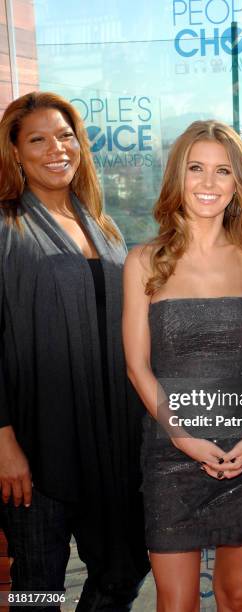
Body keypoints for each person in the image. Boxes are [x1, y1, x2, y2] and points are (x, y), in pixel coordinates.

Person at [123, 120, 242, 612]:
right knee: (176, 604)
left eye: (222, 172)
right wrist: (182, 437)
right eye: (196, 169)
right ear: (178, 175)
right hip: (172, 452)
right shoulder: (144, 261)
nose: (209, 183)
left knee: (237, 598)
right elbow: (136, 366)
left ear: (238, 184)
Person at [0, 92, 149, 611]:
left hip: (111, 439)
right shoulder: (6, 226)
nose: (56, 149)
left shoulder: (102, 226)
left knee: (123, 569)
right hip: (36, 442)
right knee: (38, 585)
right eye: (37, 139)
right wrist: (4, 442)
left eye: (65, 136)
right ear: (15, 152)